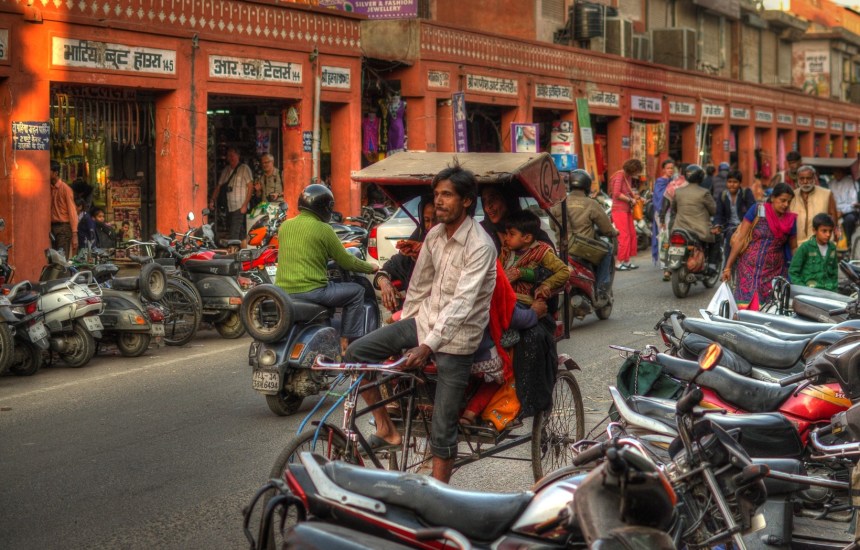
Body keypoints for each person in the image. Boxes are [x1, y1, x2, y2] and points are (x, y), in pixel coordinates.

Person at [344, 162, 497, 483]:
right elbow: (419, 288)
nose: (439, 201)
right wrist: (409, 331)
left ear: (467, 201)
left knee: (442, 432)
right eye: (436, 194)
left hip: (458, 339)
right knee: (357, 352)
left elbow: (463, 304)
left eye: (447, 195)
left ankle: (437, 497)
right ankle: (386, 429)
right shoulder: (435, 236)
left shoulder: (480, 245)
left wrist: (427, 346)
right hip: (423, 324)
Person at [275, 184, 379, 352]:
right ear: (325, 207)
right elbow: (346, 261)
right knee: (357, 291)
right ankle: (347, 343)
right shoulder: (324, 229)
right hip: (313, 291)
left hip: (283, 292)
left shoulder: (285, 227)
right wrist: (371, 267)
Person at [721, 183, 797, 307]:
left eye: (789, 201)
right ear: (772, 198)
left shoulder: (790, 220)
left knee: (768, 310)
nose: (786, 205)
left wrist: (795, 270)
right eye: (782, 200)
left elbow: (794, 247)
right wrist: (728, 267)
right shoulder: (757, 210)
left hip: (774, 272)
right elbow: (740, 238)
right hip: (748, 269)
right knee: (744, 307)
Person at [550, 169, 616, 294]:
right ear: (587, 185)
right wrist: (613, 232)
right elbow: (606, 228)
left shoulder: (559, 202)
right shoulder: (591, 203)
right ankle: (602, 287)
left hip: (562, 247)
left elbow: (553, 226)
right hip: (583, 249)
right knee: (608, 250)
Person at [375, 196, 437, 312]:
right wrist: (384, 282)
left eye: (435, 221)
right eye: (427, 220)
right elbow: (389, 267)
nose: (430, 227)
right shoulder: (417, 239)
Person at [500, 210, 571, 306]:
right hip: (505, 297)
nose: (506, 238)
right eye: (506, 233)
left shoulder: (542, 251)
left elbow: (564, 271)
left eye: (511, 234)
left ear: (527, 238)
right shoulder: (506, 251)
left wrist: (546, 284)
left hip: (525, 302)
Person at [671, 164, 718, 271]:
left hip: (679, 228)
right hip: (699, 230)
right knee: (717, 237)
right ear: (701, 177)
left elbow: (674, 208)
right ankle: (711, 265)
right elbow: (713, 210)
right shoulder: (704, 192)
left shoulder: (678, 191)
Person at [480, 185, 553, 254]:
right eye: (484, 201)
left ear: (508, 199)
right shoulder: (480, 231)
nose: (488, 206)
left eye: (493, 198)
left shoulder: (529, 228)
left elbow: (550, 260)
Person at [210, 147, 253, 247]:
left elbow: (250, 187)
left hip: (240, 206)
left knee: (234, 232)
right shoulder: (226, 170)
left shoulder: (244, 168)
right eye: (229, 156)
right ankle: (245, 251)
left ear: (238, 156)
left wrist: (245, 205)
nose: (230, 158)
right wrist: (212, 200)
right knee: (240, 232)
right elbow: (219, 187)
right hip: (229, 206)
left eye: (232, 155)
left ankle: (232, 254)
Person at [790, 165, 839, 244]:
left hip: (820, 244)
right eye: (802, 179)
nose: (805, 182)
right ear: (798, 179)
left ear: (814, 178)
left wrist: (833, 237)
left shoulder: (826, 194)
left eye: (808, 178)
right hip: (797, 245)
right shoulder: (792, 196)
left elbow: (833, 217)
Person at [789, 213, 838, 291]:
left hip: (829, 291)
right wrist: (803, 289)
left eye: (830, 231)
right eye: (824, 231)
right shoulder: (805, 247)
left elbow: (834, 272)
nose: (828, 234)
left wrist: (835, 290)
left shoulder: (832, 248)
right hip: (810, 292)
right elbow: (793, 272)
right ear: (814, 230)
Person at [609, 158, 642, 271]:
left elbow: (626, 192)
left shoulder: (628, 176)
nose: (637, 173)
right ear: (633, 169)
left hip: (627, 210)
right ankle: (618, 262)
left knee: (632, 234)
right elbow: (616, 194)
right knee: (624, 236)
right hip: (619, 210)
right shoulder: (619, 175)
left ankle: (626, 261)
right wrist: (629, 200)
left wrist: (635, 198)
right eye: (637, 171)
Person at [714, 169, 755, 258]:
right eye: (729, 182)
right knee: (726, 237)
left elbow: (752, 210)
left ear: (740, 183)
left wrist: (744, 226)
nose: (732, 184)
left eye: (735, 182)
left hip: (744, 226)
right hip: (729, 226)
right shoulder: (723, 195)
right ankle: (726, 266)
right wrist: (717, 225)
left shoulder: (746, 193)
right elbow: (719, 213)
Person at [50, 160, 79, 257]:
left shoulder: (65, 189)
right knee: (54, 258)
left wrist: (75, 234)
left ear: (55, 173)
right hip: (53, 228)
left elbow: (72, 211)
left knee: (61, 259)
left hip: (63, 228)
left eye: (48, 171)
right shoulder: (49, 188)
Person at [652, 159, 675, 278]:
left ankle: (671, 262)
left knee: (670, 237)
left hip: (672, 214)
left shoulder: (674, 181)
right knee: (664, 238)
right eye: (668, 168)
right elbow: (658, 198)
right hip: (662, 213)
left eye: (672, 168)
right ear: (663, 170)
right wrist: (661, 218)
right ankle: (665, 265)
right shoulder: (660, 181)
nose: (670, 170)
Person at [828, 166, 858, 246]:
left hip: (848, 211)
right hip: (834, 211)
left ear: (843, 171)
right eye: (835, 172)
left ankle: (848, 242)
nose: (836, 174)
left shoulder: (851, 183)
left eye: (838, 171)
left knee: (850, 219)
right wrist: (834, 211)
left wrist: (842, 212)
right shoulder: (831, 183)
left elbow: (854, 203)